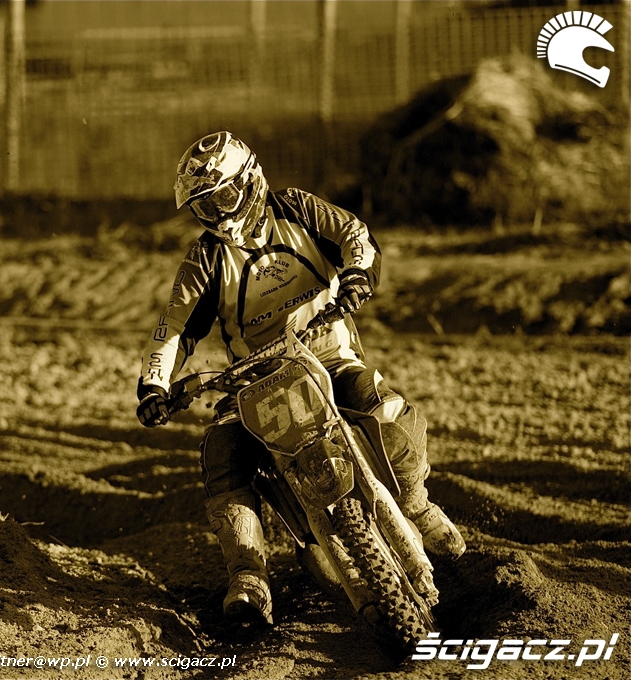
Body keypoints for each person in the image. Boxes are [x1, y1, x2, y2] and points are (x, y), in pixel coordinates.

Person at [135, 131, 465, 626]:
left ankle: (417, 506)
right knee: (221, 451)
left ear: (250, 181)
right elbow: (174, 328)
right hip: (253, 377)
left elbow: (355, 234)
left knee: (383, 409)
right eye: (205, 206)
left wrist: (357, 275)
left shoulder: (296, 209)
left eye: (223, 197)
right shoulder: (204, 260)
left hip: (327, 352)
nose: (218, 214)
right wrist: (155, 385)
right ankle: (248, 575)